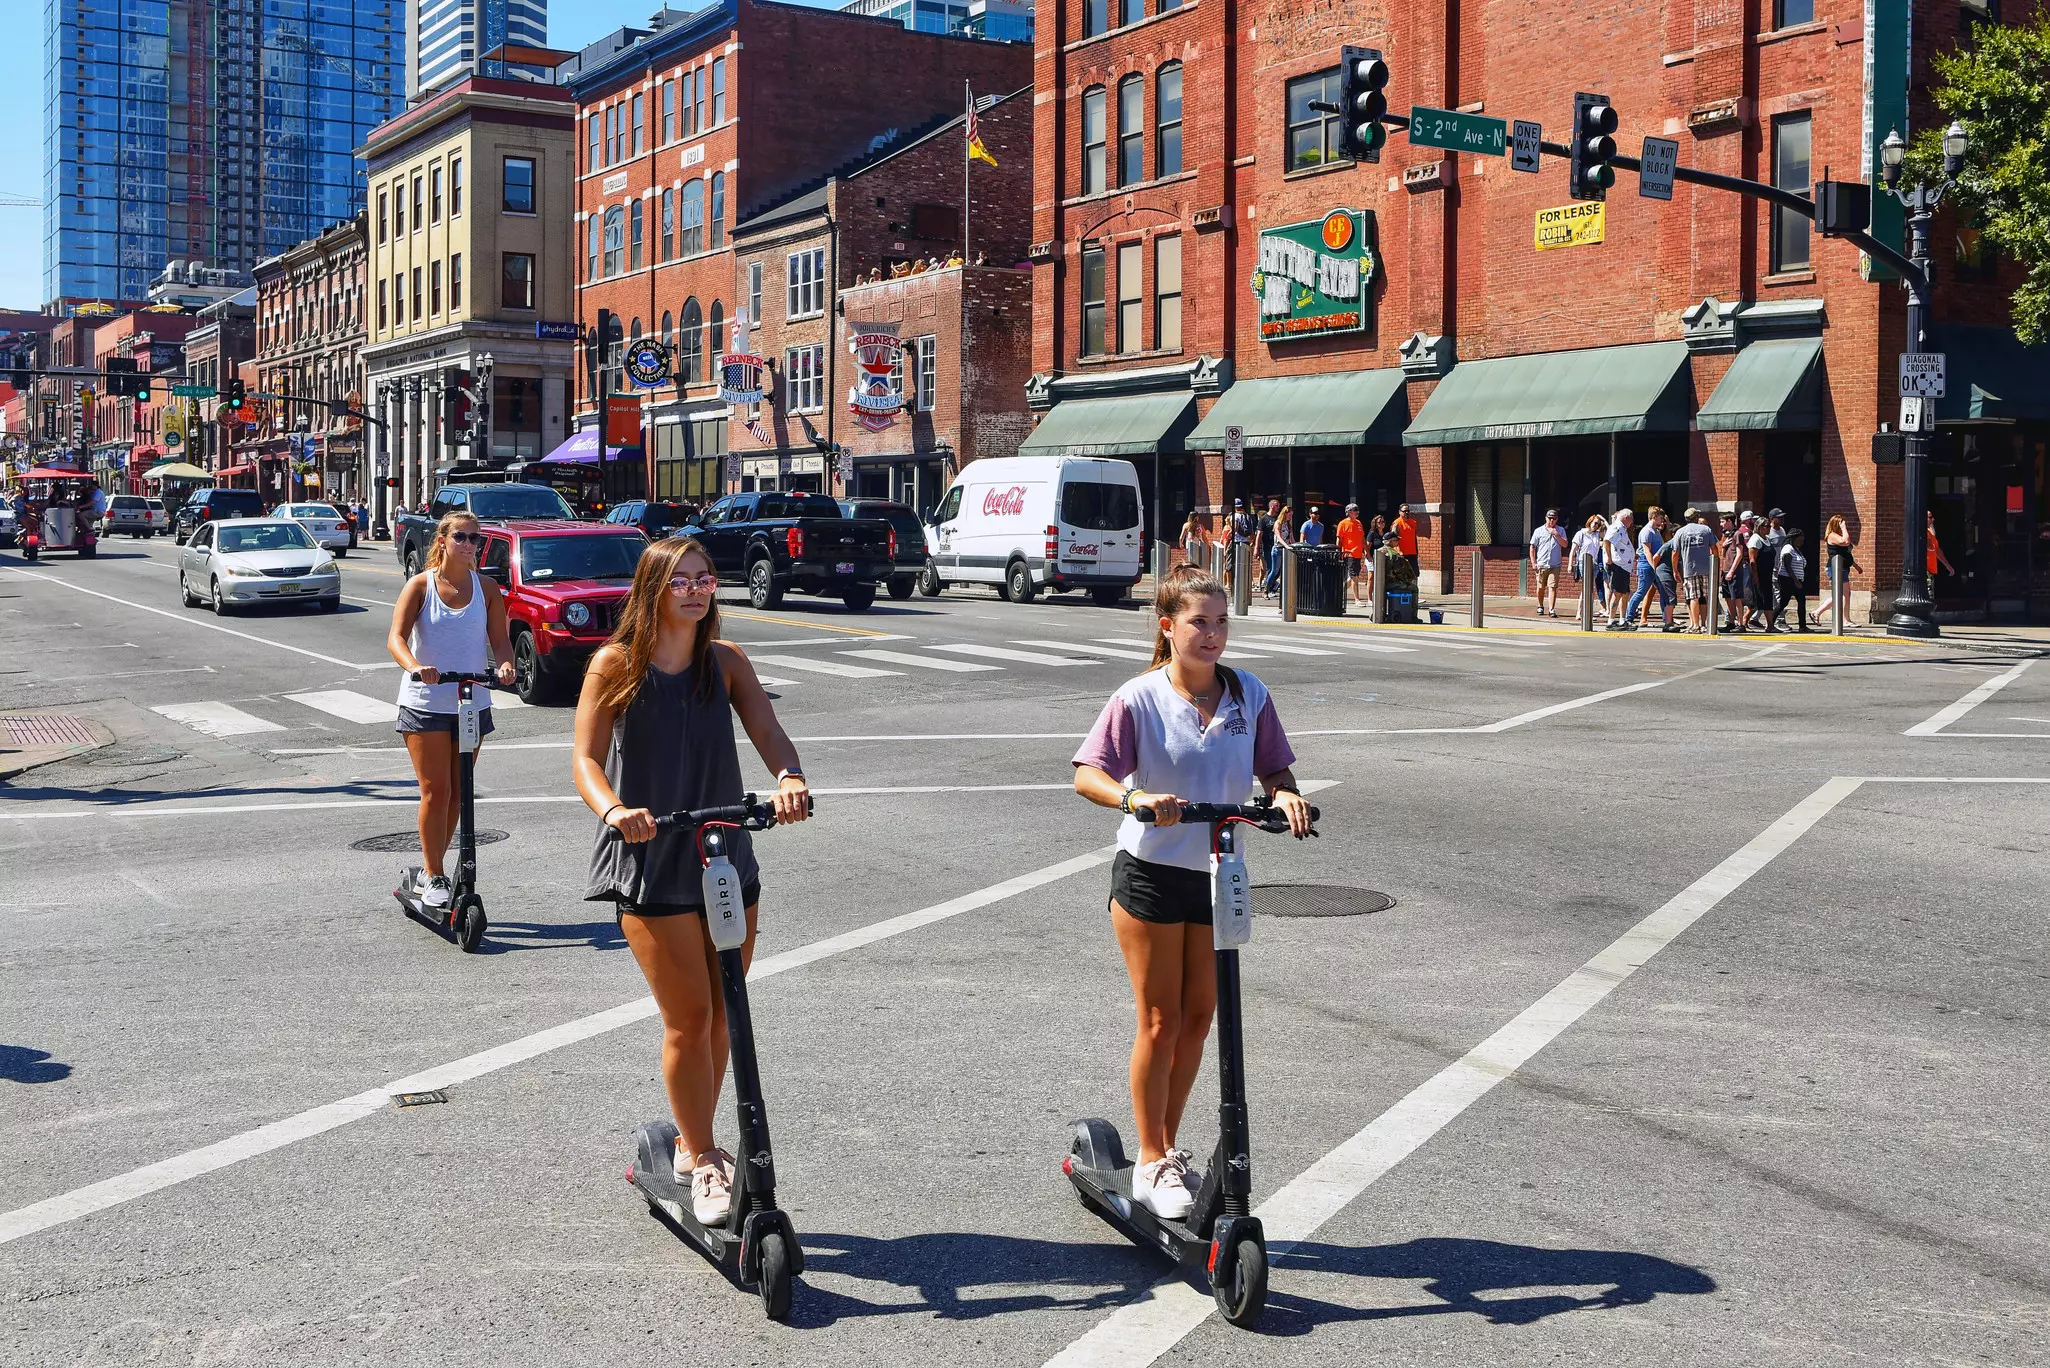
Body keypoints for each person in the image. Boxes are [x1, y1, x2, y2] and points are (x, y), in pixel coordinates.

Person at [572, 536, 812, 1226]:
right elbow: (586, 760)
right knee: (690, 1018)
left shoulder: (726, 661)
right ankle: (705, 1158)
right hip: (652, 856)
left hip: (728, 852)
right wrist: (616, 810)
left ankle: (692, 1142)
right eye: (682, 581)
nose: (697, 590)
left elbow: (768, 730)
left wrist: (789, 777)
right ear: (654, 588)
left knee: (726, 1013)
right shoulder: (616, 664)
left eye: (706, 579)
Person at [1070, 563, 1313, 1219]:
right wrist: (1135, 796)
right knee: (1160, 1018)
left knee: (1201, 1017)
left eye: (1221, 621)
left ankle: (1166, 1147)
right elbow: (1087, 773)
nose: (1213, 634)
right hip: (1150, 874)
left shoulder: (1247, 694)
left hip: (1217, 872)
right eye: (1199, 622)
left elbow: (1274, 767)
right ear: (1168, 626)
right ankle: (1151, 1159)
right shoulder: (1139, 697)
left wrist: (1285, 795)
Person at [386, 511, 517, 908]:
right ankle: (437, 874)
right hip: (426, 702)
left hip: (471, 701)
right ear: (442, 540)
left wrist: (507, 664)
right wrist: (414, 667)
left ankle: (430, 868)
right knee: (434, 791)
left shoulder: (488, 588)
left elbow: (500, 639)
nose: (470, 545)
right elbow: (396, 637)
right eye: (461, 537)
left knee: (459, 794)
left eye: (475, 539)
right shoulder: (420, 586)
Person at [1670, 508, 1719, 633]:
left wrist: (1675, 570)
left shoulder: (1680, 532)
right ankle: (1705, 624)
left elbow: (1675, 553)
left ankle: (1695, 625)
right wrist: (1715, 566)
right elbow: (1714, 548)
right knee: (1706, 597)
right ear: (1697, 517)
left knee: (1693, 597)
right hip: (1707, 568)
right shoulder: (1706, 530)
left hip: (1689, 569)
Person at [1628, 506, 1676, 630]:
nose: (1662, 521)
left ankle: (1667, 619)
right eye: (1660, 518)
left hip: (1655, 565)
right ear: (1654, 517)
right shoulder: (1647, 531)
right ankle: (1628, 617)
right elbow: (1647, 551)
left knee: (1663, 591)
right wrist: (1653, 566)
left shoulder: (1655, 531)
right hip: (1647, 565)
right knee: (1641, 591)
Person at [1817, 514, 1859, 627]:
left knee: (1843, 594)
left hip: (1843, 567)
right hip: (1835, 567)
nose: (1844, 525)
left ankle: (1817, 613)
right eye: (1841, 523)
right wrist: (1844, 528)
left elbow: (1846, 553)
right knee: (1844, 594)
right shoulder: (1832, 535)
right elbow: (1845, 542)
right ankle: (1845, 620)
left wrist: (1856, 566)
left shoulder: (1839, 535)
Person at [1528, 508, 1568, 618]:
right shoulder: (1538, 531)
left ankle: (1551, 609)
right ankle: (1540, 605)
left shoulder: (1560, 530)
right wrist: (1533, 562)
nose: (1552, 521)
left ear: (1557, 519)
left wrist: (1557, 535)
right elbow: (1532, 547)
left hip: (1555, 564)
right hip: (1541, 563)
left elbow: (1565, 544)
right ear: (1546, 518)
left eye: (1554, 519)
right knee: (1540, 587)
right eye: (1550, 518)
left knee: (1552, 587)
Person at [1568, 514, 1608, 621]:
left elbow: (1609, 532)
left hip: (1594, 563)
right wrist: (1570, 564)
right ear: (1589, 522)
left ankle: (1586, 612)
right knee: (1586, 588)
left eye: (1598, 524)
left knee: (1591, 590)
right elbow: (1573, 550)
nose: (1596, 525)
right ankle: (1580, 612)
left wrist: (1603, 519)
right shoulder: (1581, 534)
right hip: (1583, 561)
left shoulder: (1597, 534)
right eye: (1594, 523)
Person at [1603, 508, 1637, 629]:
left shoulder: (1622, 528)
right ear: (1626, 518)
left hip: (1625, 566)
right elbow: (1606, 541)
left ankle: (1622, 620)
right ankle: (1611, 621)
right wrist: (1610, 558)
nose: (1632, 521)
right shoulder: (1616, 527)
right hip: (1618, 565)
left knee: (1625, 593)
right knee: (1617, 593)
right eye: (1631, 518)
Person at [1746, 513, 1778, 631]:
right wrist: (1755, 576)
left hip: (1767, 574)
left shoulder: (1767, 539)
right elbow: (1752, 559)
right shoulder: (1755, 539)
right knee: (1758, 601)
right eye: (1766, 526)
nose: (1769, 528)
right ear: (1759, 527)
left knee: (1766, 599)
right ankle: (1745, 621)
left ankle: (1770, 625)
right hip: (1758, 574)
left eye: (1769, 526)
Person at [1776, 529, 1811, 632]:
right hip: (1788, 580)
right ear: (1794, 538)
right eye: (1801, 538)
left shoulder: (1796, 549)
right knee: (1784, 602)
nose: (1802, 540)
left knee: (1801, 602)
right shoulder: (1788, 548)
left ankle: (1802, 626)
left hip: (1796, 579)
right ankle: (1770, 622)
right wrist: (1795, 581)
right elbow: (1787, 566)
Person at [1337, 503, 1368, 603]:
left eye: (1357, 510)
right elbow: (1339, 539)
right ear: (1349, 512)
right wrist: (1338, 552)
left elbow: (1363, 538)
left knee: (1353, 576)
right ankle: (1357, 599)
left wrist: (1366, 551)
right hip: (1349, 553)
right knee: (1354, 576)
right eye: (1355, 510)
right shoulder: (1343, 523)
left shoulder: (1359, 523)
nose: (1357, 512)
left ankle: (1338, 593)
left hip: (1358, 554)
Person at [1264, 504, 1294, 596]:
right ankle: (1266, 589)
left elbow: (1291, 538)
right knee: (1275, 571)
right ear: (1285, 513)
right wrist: (1286, 545)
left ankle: (1280, 591)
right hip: (1278, 549)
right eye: (1290, 515)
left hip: (1286, 550)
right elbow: (1279, 537)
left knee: (1283, 571)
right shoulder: (1278, 523)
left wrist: (1295, 545)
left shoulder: (1288, 525)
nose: (1290, 517)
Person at [1390, 503, 1420, 579]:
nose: (1406, 512)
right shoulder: (1396, 523)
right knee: (1402, 575)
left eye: (1408, 511)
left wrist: (1416, 551)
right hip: (1401, 554)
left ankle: (1413, 590)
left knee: (1414, 574)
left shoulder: (1413, 523)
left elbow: (1414, 538)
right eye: (1404, 511)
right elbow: (1393, 540)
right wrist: (1398, 552)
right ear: (1400, 512)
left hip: (1412, 553)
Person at [1926, 510, 1955, 586]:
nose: (1933, 519)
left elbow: (1937, 550)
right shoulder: (1921, 535)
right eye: (1930, 517)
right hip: (1924, 571)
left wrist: (1947, 565)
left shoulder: (1930, 535)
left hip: (1930, 572)